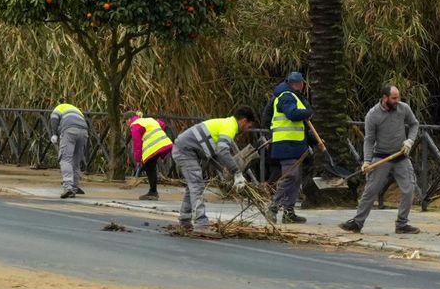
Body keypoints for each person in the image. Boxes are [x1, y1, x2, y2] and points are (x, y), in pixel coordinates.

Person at [340, 85, 421, 234]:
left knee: (409, 188)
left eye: (399, 97)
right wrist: (367, 161)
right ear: (385, 98)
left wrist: (409, 141)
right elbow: (369, 140)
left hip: (401, 156)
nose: (398, 101)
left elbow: (414, 124)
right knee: (371, 191)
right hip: (381, 157)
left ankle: (402, 224)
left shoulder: (404, 108)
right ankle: (357, 223)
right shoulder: (373, 115)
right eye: (394, 98)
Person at [172, 106, 258, 236]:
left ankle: (185, 219)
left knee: (193, 186)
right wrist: (237, 172)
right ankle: (201, 224)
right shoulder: (230, 126)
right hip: (185, 150)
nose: (247, 130)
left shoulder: (225, 123)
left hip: (184, 149)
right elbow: (222, 151)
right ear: (244, 121)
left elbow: (213, 154)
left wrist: (226, 171)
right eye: (249, 126)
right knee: (196, 184)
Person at [268, 72, 314, 224]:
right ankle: (273, 207)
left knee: (295, 179)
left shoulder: (292, 97)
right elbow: (292, 114)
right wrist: (308, 112)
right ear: (300, 84)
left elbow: (299, 127)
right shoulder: (287, 96)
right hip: (286, 144)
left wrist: (313, 140)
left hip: (294, 144)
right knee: (290, 177)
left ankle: (289, 212)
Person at [128, 112, 173, 201]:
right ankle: (152, 191)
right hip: (163, 143)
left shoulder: (135, 126)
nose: (126, 124)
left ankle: (153, 192)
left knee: (150, 168)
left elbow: (137, 144)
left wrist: (138, 159)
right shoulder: (149, 120)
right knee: (150, 167)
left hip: (153, 148)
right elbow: (162, 124)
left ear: (128, 119)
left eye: (125, 122)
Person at [50, 103, 89, 198]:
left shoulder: (58, 108)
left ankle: (68, 187)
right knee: (76, 161)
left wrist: (54, 134)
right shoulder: (76, 110)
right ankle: (75, 187)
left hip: (69, 130)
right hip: (84, 132)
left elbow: (54, 119)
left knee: (65, 159)